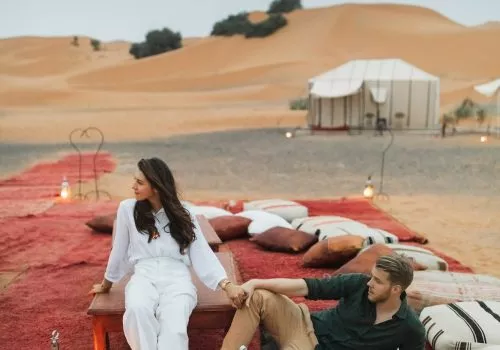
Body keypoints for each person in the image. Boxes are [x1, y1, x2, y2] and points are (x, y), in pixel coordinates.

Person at [89, 157, 246, 350]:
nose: (133, 186)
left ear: (156, 186)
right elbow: (119, 250)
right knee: (137, 311)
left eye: (139, 182)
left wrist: (227, 285)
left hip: (177, 279)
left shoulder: (184, 212)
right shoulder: (127, 209)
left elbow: (201, 252)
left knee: (174, 327)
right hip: (143, 277)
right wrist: (106, 284)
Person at [221, 254, 426, 350]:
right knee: (258, 296)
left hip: (310, 347)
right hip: (300, 322)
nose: (370, 283)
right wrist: (255, 282)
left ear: (396, 289)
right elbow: (304, 286)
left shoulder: (410, 328)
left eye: (378, 281)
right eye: (372, 276)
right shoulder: (358, 284)